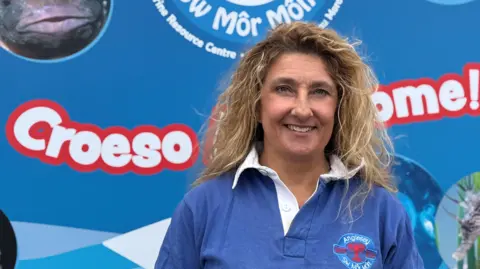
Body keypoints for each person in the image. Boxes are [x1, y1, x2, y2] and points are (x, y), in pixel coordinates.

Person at [154, 21, 425, 269]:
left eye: (320, 91)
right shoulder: (202, 207)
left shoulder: (382, 211)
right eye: (284, 89)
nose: (302, 109)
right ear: (257, 105)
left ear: (339, 109)